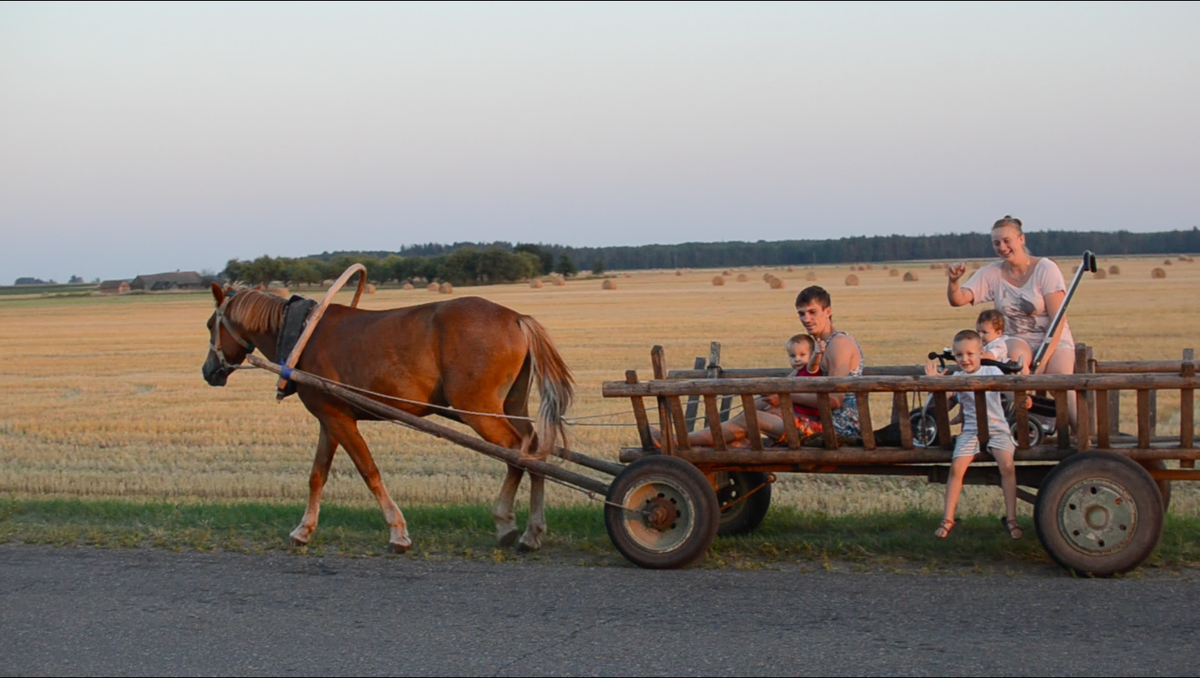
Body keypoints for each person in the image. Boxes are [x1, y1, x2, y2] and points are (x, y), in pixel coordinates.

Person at [946, 215, 1076, 423]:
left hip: (1053, 338)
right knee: (1016, 368)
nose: (1002, 247)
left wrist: (1043, 360)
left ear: (1021, 239)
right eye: (996, 243)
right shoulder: (992, 272)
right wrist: (953, 282)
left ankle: (1084, 436)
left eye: (1007, 241)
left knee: (1062, 381)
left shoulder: (1045, 269)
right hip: (1017, 338)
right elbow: (959, 299)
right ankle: (1018, 428)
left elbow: (1058, 320)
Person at [925, 329, 1021, 540]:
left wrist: (1022, 397)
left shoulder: (992, 372)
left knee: (1007, 465)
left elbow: (1009, 391)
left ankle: (1012, 518)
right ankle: (948, 518)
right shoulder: (957, 378)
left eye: (970, 354)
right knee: (957, 467)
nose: (965, 359)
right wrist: (936, 383)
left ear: (980, 353)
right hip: (971, 430)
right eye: (959, 355)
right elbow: (943, 400)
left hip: (997, 428)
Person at [675, 333, 822, 448]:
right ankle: (724, 437)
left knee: (752, 416)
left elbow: (813, 364)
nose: (797, 359)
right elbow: (780, 385)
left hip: (807, 425)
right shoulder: (797, 372)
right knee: (759, 404)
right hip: (797, 418)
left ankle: (684, 440)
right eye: (792, 356)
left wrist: (817, 353)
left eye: (802, 355)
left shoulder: (810, 369)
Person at [792, 286, 864, 442]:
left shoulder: (840, 343)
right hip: (817, 420)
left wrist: (786, 396)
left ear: (828, 311)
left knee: (753, 420)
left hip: (839, 429)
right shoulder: (817, 345)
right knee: (749, 425)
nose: (806, 319)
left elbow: (835, 400)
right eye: (801, 313)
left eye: (812, 312)